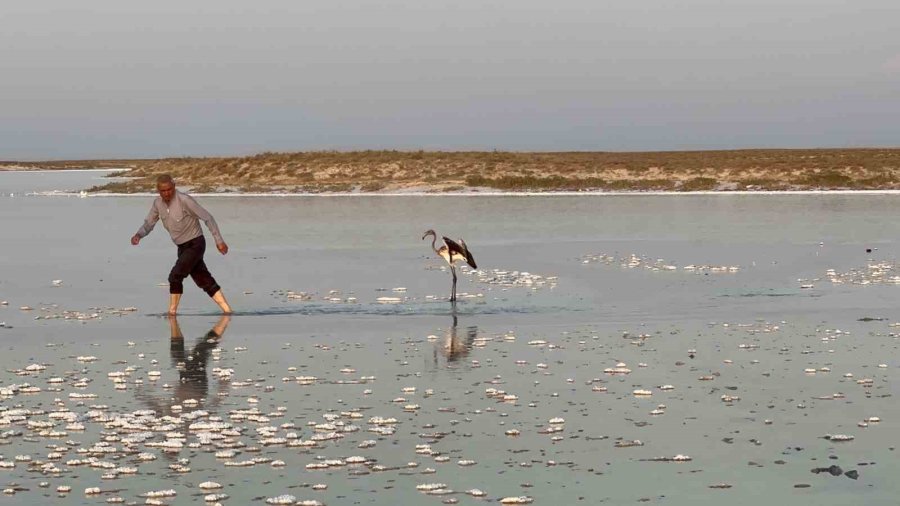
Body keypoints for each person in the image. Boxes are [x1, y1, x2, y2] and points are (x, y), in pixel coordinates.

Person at [131, 174, 232, 315]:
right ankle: (228, 311)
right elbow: (149, 223)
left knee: (175, 276)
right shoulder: (157, 204)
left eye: (169, 189)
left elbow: (208, 218)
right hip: (182, 247)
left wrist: (219, 241)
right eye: (163, 191)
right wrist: (139, 235)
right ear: (158, 191)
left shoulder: (185, 200)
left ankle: (172, 313)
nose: (167, 193)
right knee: (203, 278)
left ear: (174, 187)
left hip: (196, 243)